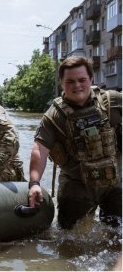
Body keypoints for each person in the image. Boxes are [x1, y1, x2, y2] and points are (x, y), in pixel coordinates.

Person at [28, 56, 122, 229]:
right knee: (69, 242)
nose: (77, 85)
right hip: (76, 186)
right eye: (70, 81)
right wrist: (34, 184)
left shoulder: (113, 102)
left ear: (91, 80)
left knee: (115, 237)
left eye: (82, 80)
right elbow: (40, 149)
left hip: (114, 183)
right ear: (61, 83)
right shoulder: (53, 116)